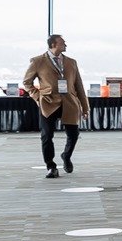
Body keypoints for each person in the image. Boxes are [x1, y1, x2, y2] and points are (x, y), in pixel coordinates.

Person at [21, 34, 88, 178]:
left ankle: (66, 155)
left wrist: (85, 107)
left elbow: (79, 86)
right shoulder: (38, 61)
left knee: (74, 134)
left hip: (69, 102)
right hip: (48, 103)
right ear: (53, 45)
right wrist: (38, 96)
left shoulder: (71, 62)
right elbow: (27, 82)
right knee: (46, 136)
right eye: (62, 43)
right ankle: (51, 166)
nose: (66, 45)